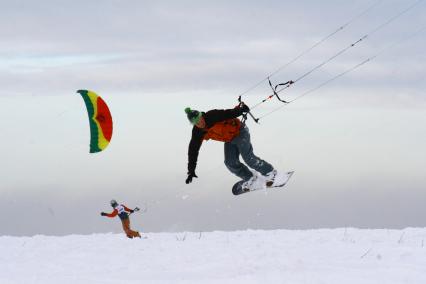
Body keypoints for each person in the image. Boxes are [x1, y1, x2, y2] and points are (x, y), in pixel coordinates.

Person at [185, 104, 277, 191]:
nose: (199, 123)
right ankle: (250, 178)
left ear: (201, 116)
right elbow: (193, 151)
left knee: (248, 158)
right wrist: (191, 171)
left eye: (199, 119)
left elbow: (228, 113)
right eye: (196, 123)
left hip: (240, 132)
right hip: (229, 139)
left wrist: (240, 110)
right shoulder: (197, 132)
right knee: (230, 162)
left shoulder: (212, 115)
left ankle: (270, 172)